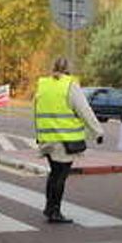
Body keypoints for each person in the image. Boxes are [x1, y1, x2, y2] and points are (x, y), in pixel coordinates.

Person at [34, 57, 105, 223]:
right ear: (68, 69)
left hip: (47, 137)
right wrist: (98, 131)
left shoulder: (43, 84)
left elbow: (35, 112)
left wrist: (38, 135)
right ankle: (55, 211)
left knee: (54, 174)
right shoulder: (69, 86)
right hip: (65, 140)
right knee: (61, 176)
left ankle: (49, 207)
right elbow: (84, 110)